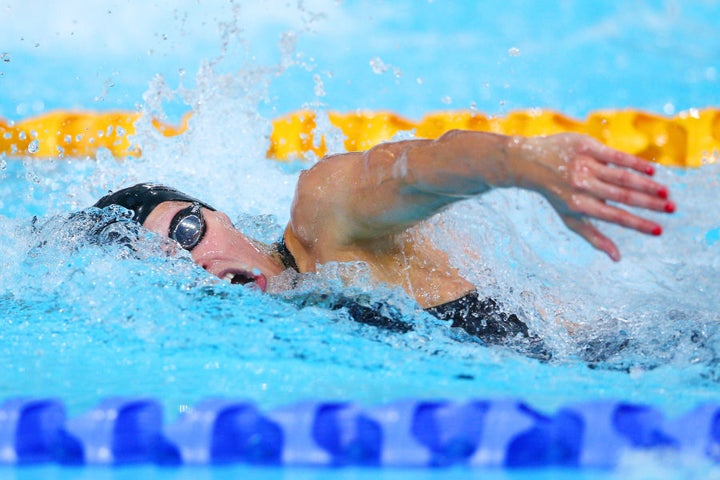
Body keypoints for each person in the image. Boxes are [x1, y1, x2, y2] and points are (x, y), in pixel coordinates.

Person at [92, 130, 675, 354]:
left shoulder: (322, 220)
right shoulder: (277, 344)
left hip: (643, 357)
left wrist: (523, 162)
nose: (201, 262)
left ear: (218, 215)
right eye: (171, 263)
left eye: (187, 231)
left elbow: (419, 167)